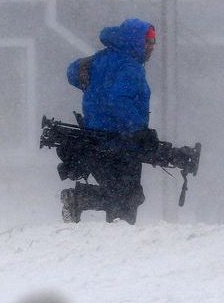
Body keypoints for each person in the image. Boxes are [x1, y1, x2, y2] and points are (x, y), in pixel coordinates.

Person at [60, 17, 156, 224]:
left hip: (94, 138)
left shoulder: (100, 59)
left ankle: (80, 200)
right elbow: (118, 99)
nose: (151, 47)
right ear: (133, 41)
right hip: (121, 141)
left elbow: (73, 72)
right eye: (147, 42)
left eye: (153, 42)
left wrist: (86, 71)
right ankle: (81, 201)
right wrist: (139, 129)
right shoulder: (131, 67)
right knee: (127, 197)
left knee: (119, 193)